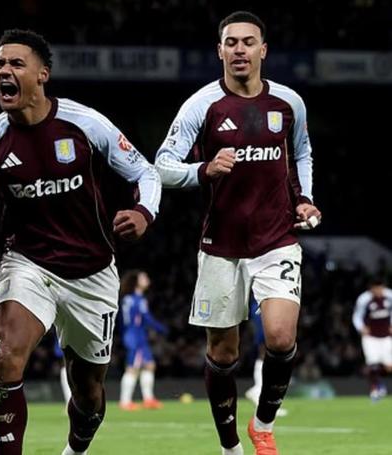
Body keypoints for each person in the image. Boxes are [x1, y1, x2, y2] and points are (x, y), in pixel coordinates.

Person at [0, 29, 161, 455]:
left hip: (92, 272)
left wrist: (143, 212)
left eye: (16, 63)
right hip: (28, 264)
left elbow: (145, 172)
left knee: (88, 394)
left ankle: (75, 448)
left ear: (42, 74)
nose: (4, 71)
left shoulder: (85, 123)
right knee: (5, 357)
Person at [155, 11, 321, 455]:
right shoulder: (202, 105)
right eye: (231, 42)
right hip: (221, 247)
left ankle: (262, 425)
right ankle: (230, 448)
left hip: (276, 240)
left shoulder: (288, 103)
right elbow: (162, 166)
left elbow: (301, 153)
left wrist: (304, 199)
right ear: (220, 51)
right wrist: (202, 170)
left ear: (263, 50)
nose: (240, 49)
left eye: (248, 42)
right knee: (223, 353)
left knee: (281, 337)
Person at [118, 270, 167, 411]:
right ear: (136, 282)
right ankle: (125, 401)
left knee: (149, 365)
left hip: (133, 335)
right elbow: (146, 318)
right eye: (143, 277)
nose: (146, 279)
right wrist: (162, 329)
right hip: (135, 336)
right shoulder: (138, 299)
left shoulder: (127, 299)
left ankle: (148, 399)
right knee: (132, 368)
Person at [244, 297, 288, 417]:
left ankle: (261, 392)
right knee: (265, 348)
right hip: (262, 302)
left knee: (269, 349)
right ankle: (260, 392)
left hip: (268, 301)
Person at [352, 277, 392, 401]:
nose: (379, 291)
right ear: (371, 289)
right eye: (376, 289)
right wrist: (361, 328)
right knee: (372, 364)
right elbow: (357, 315)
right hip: (370, 337)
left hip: (386, 336)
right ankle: (375, 389)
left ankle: (379, 385)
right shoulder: (364, 299)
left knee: (388, 366)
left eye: (381, 288)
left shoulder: (389, 296)